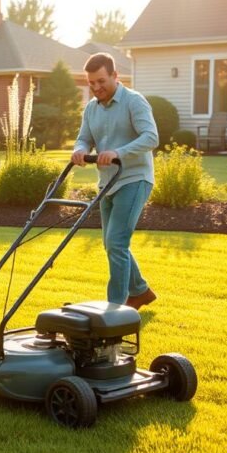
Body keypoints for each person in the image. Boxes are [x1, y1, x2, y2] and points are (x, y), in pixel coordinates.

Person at [71, 53, 159, 310]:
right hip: (108, 182)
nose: (97, 88)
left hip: (134, 178)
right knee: (111, 243)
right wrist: (79, 149)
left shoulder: (134, 101)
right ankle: (140, 290)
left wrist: (118, 152)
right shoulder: (91, 108)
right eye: (91, 84)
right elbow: (84, 138)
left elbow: (151, 137)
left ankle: (115, 310)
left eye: (101, 81)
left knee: (117, 242)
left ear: (114, 76)